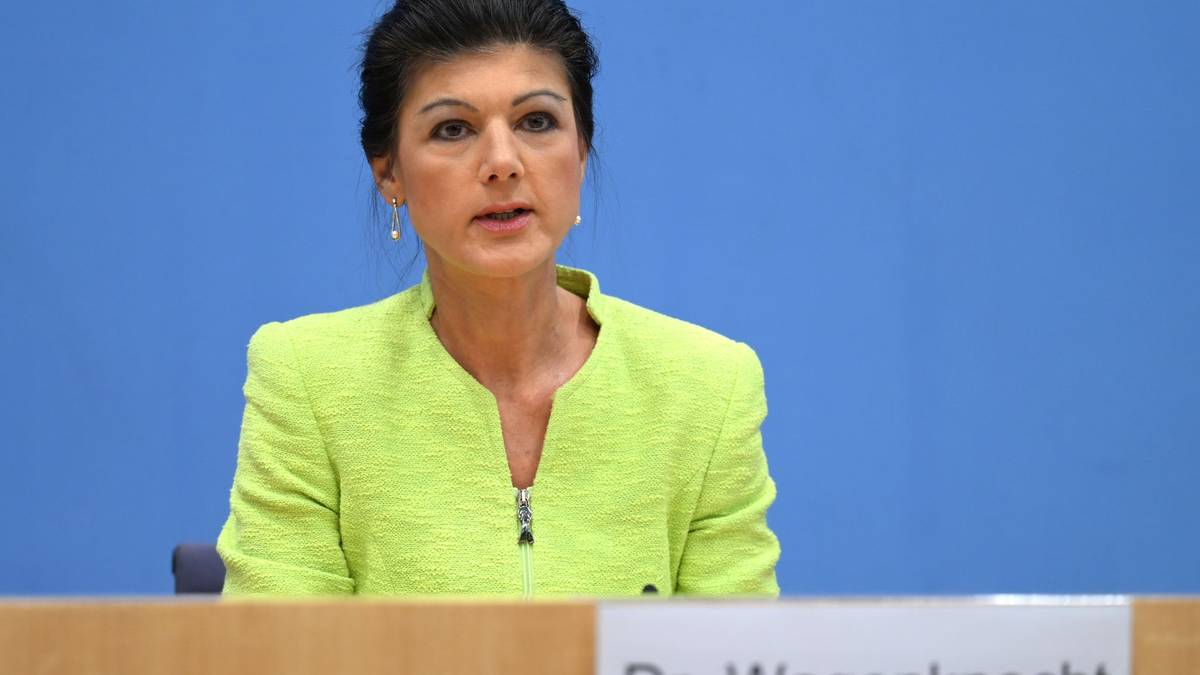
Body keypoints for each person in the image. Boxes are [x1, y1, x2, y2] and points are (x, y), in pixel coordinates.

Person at [216, 0, 780, 597]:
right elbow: (277, 654)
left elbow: (733, 651)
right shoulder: (308, 380)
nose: (502, 163)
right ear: (389, 174)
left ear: (581, 152)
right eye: (452, 129)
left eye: (536, 121)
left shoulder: (709, 387)